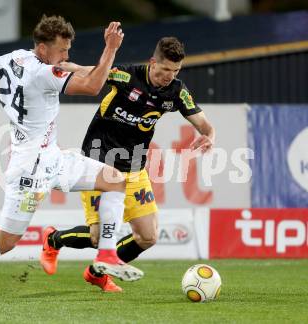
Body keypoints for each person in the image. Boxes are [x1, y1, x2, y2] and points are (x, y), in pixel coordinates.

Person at [0, 15, 144, 302]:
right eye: (62, 50)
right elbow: (90, 87)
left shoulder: (15, 58)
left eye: (67, 49)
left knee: (114, 180)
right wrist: (110, 49)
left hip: (51, 157)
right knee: (7, 241)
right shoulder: (41, 74)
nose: (66, 55)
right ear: (42, 48)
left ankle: (108, 254)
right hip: (30, 169)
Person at [40, 37, 215, 292]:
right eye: (165, 69)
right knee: (98, 237)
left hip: (134, 169)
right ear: (152, 62)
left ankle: (97, 272)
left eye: (175, 71)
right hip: (100, 165)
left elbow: (205, 125)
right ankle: (53, 239)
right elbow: (88, 71)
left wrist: (210, 137)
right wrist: (62, 67)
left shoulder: (176, 91)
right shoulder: (126, 76)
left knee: (148, 236)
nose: (169, 76)